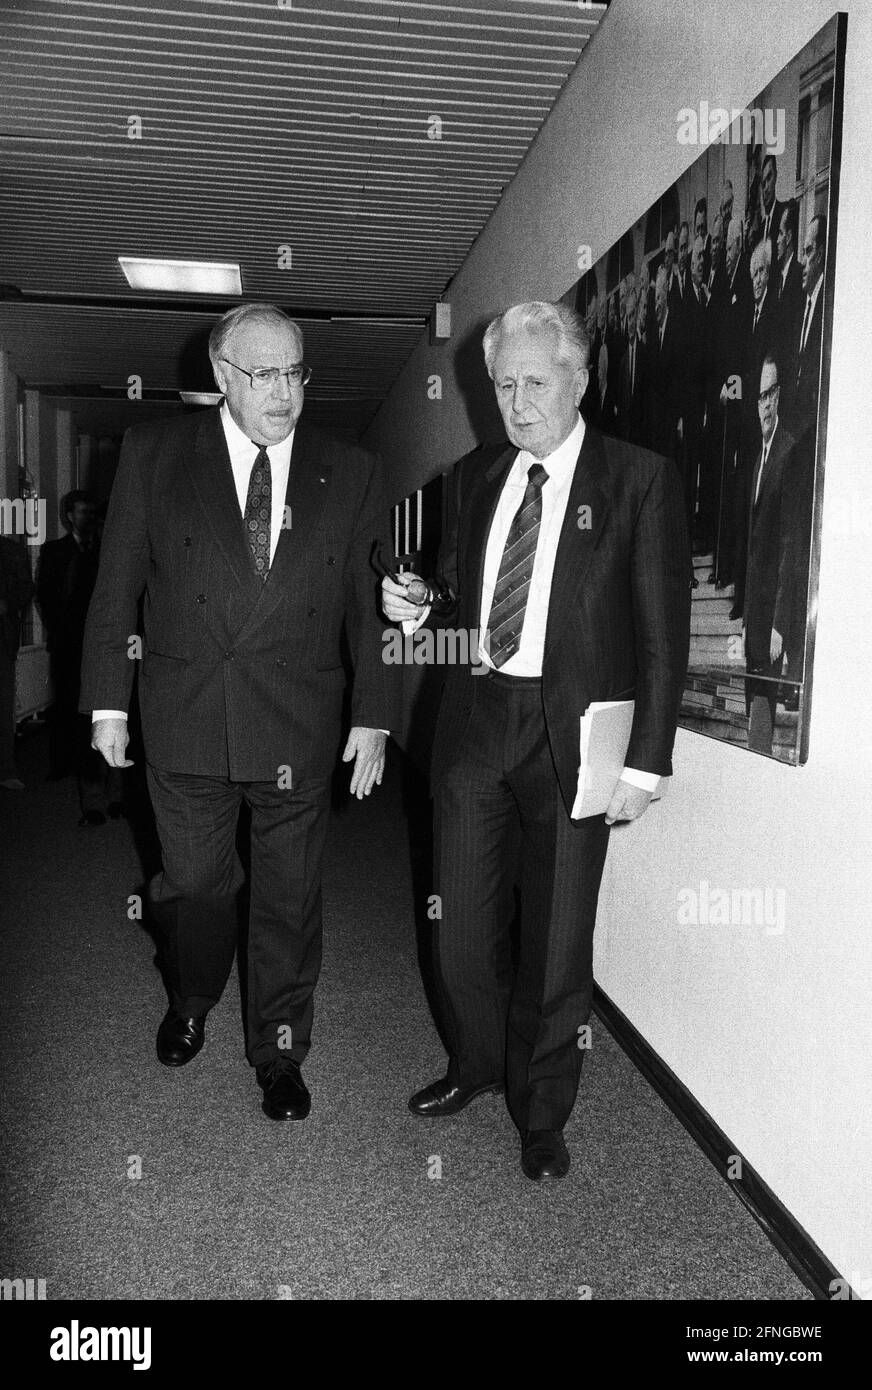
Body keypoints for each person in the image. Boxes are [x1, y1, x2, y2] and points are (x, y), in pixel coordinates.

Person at [381, 301, 691, 1182]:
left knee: (558, 944)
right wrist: (419, 608)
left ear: (579, 379)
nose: (518, 403)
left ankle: (543, 1111)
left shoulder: (638, 480)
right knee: (459, 931)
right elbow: (454, 595)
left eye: (535, 382)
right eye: (504, 385)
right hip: (476, 726)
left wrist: (646, 763)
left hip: (574, 741)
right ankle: (476, 1064)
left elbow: (663, 635)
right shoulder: (477, 475)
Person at [80, 303, 395, 1122]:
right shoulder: (155, 454)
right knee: (194, 891)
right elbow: (116, 586)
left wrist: (375, 714)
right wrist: (107, 700)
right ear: (221, 376)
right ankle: (191, 996)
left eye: (295, 372)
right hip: (185, 716)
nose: (284, 391)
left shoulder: (350, 468)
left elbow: (370, 606)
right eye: (264, 374)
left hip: (298, 720)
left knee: (289, 898)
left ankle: (281, 1051)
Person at [37, 490, 122, 822]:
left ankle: (116, 794)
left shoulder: (118, 559)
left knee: (119, 722)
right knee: (89, 721)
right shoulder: (81, 561)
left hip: (118, 653)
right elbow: (64, 605)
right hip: (83, 653)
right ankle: (95, 801)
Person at [738, 355, 799, 755]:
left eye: (770, 394)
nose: (764, 405)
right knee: (751, 706)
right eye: (759, 397)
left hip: (772, 618)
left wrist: (778, 623)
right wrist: (746, 619)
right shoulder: (755, 457)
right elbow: (752, 550)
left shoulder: (789, 453)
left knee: (762, 715)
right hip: (753, 616)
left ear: (779, 395)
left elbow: (790, 546)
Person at [0, 533, 34, 790]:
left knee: (2, 705)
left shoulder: (12, 552)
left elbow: (24, 591)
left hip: (1, 640)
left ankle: (5, 769)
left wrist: (5, 603)